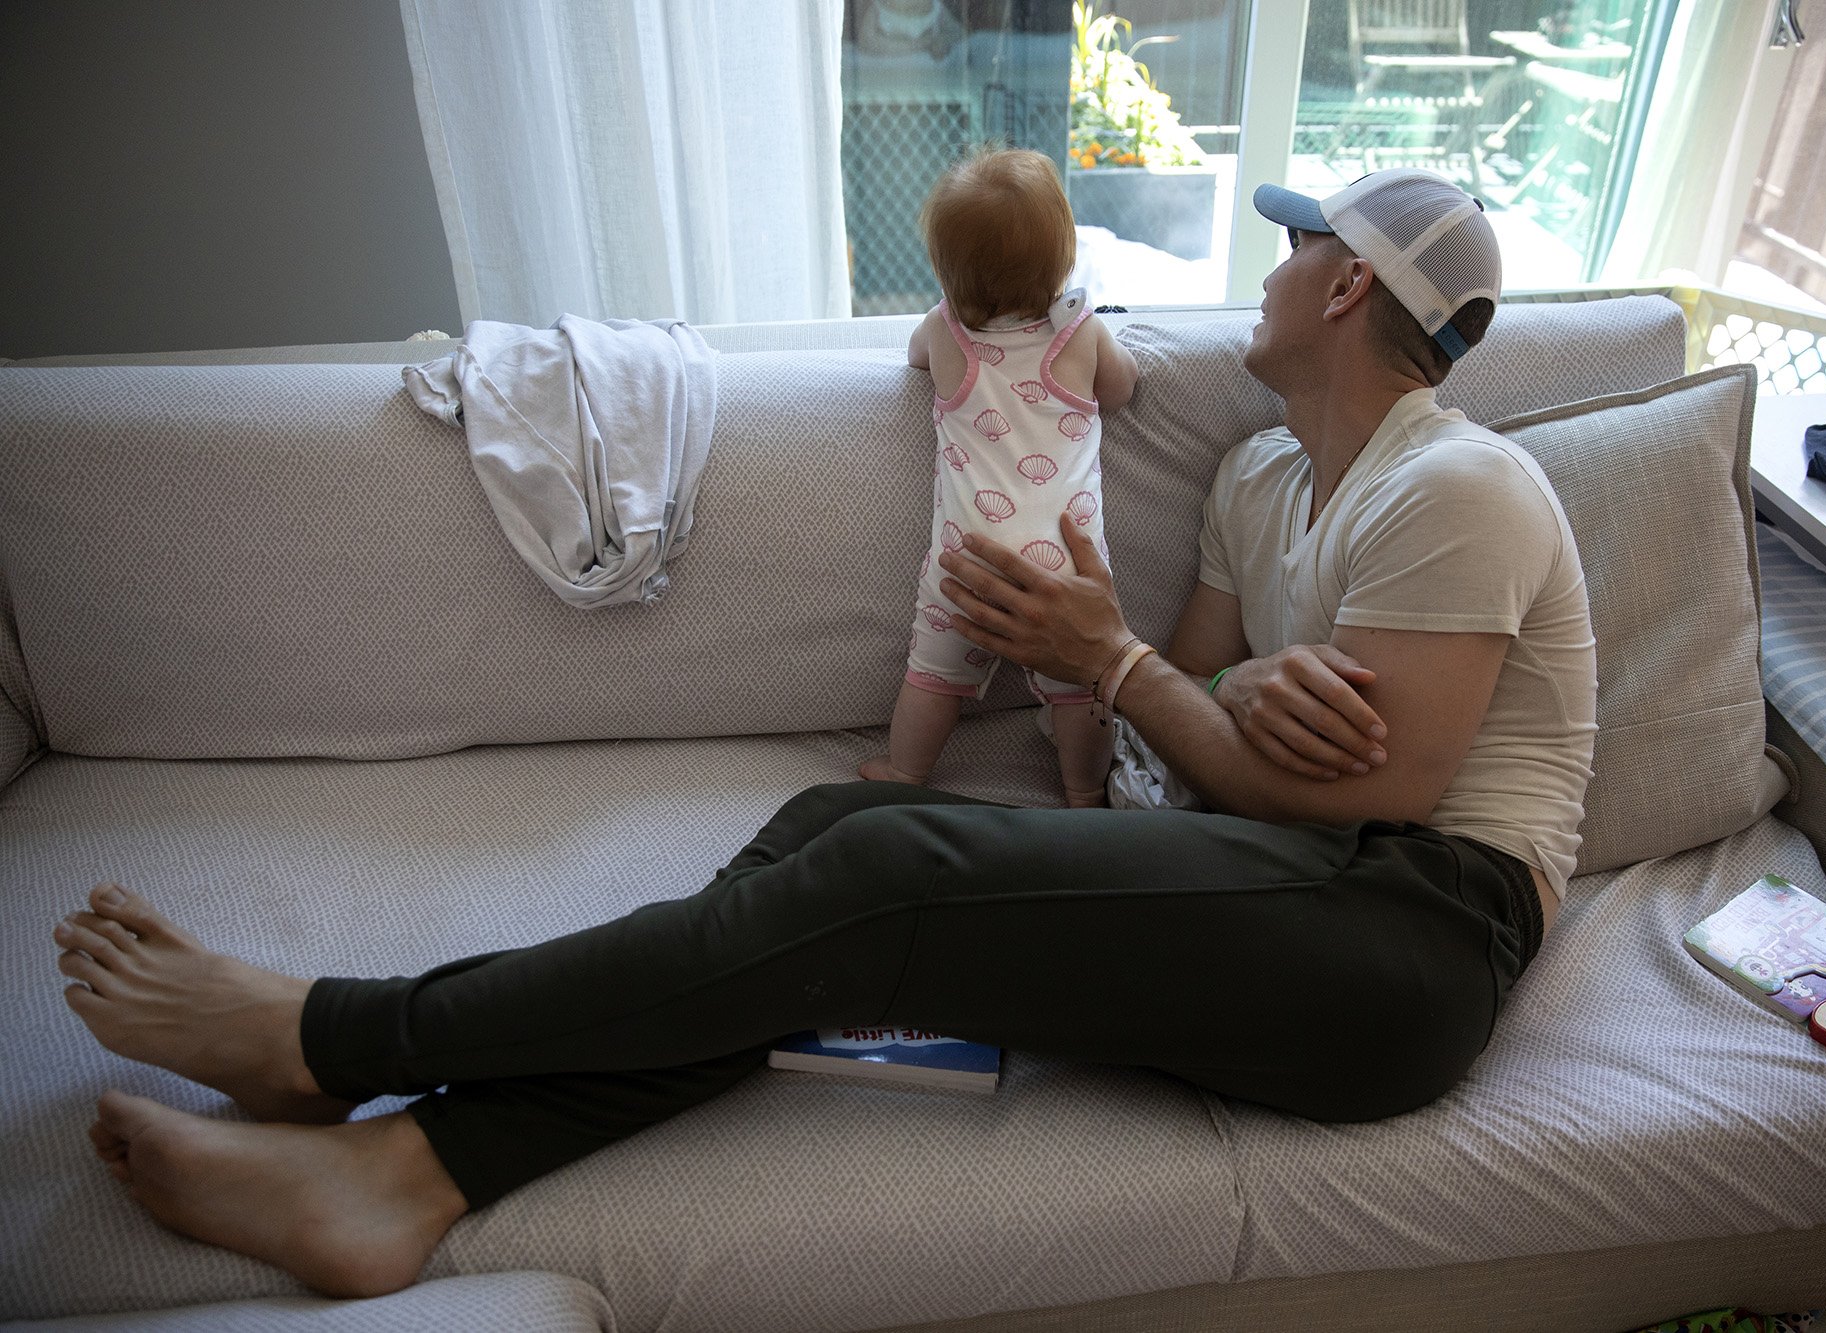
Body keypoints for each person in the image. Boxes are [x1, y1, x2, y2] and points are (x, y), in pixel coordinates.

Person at [51, 168, 1594, 1300]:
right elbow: (1192, 744)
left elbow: (1375, 787)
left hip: (1416, 940)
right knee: (837, 837)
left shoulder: (1457, 487)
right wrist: (1215, 694)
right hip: (1284, 878)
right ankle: (414, 1173)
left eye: (1297, 241)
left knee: (888, 871)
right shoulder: (1264, 480)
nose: (1270, 268)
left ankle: (338, 1040)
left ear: (1343, 288)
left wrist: (1126, 662)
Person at [859, 146, 1139, 806]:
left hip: (968, 564)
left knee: (931, 677)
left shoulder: (945, 332)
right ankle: (1082, 789)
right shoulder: (1081, 337)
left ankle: (907, 770)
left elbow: (913, 359)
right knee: (1081, 686)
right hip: (1066, 566)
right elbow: (1124, 390)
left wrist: (954, 312)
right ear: (1061, 258)